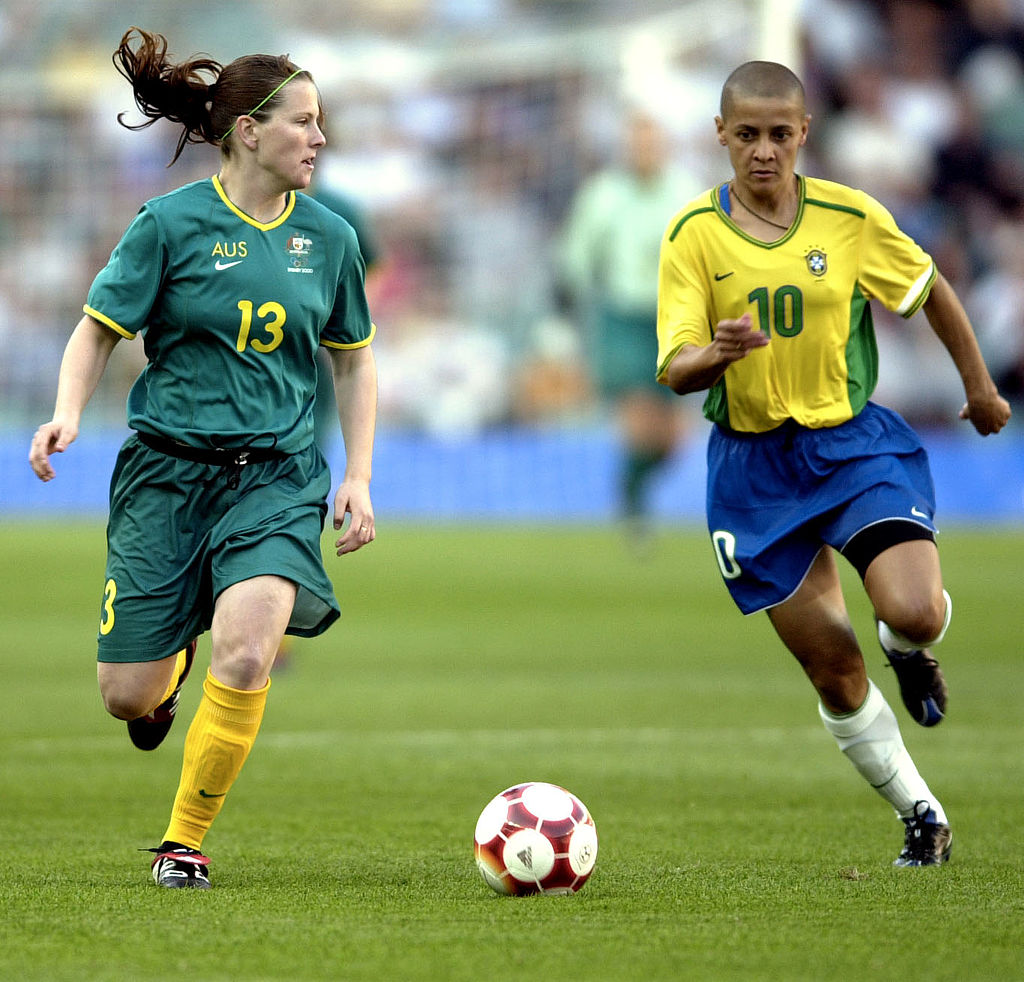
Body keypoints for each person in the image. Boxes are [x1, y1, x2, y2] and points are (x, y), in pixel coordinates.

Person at [28, 27, 378, 889]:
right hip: (166, 473)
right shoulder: (169, 224)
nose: (319, 138)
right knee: (127, 696)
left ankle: (184, 841)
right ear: (250, 132)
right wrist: (67, 410)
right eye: (304, 121)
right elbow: (94, 332)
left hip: (277, 474)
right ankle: (165, 669)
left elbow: (355, 359)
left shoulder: (330, 238)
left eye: (321, 121)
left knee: (252, 650)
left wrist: (361, 476)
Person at [656, 61, 1010, 866]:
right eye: (747, 135)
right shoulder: (692, 236)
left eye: (780, 135)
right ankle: (922, 814)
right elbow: (674, 368)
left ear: (804, 134)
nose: (764, 152)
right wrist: (715, 354)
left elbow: (930, 290)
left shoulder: (850, 218)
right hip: (752, 473)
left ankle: (910, 650)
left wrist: (980, 388)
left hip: (850, 446)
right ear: (721, 135)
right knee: (835, 671)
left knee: (913, 613)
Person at [560, 111, 699, 538]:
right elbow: (577, 256)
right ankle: (634, 511)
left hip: (674, 319)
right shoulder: (603, 194)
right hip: (621, 315)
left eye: (652, 143)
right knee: (640, 418)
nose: (645, 152)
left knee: (675, 438)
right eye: (638, 144)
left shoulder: (685, 191)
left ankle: (631, 485)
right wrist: (572, 308)